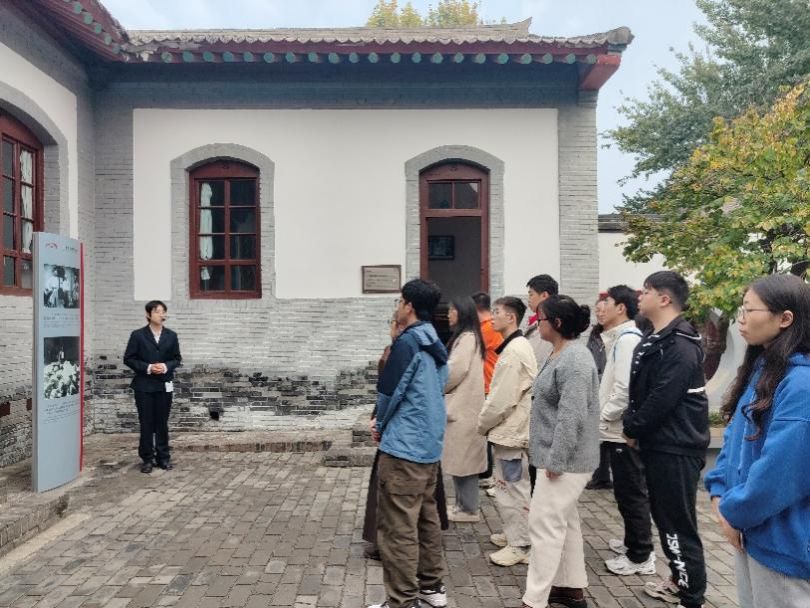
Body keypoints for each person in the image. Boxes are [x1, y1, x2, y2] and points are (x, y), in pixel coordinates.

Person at [704, 274, 810, 608]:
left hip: (783, 545)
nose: (741, 318)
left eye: (750, 310)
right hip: (751, 532)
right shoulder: (764, 370)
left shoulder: (801, 383)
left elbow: (782, 471)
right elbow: (734, 438)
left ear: (785, 318)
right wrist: (719, 491)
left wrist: (734, 512)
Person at [623, 271, 709, 608]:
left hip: (676, 447)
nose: (639, 296)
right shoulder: (656, 337)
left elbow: (662, 398)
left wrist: (633, 428)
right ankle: (677, 578)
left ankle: (691, 595)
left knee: (677, 524)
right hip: (660, 444)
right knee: (666, 519)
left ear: (664, 299)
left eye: (645, 291)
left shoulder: (681, 344)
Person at [370, 279, 449, 608]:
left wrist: (378, 423)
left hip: (404, 447)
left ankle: (402, 600)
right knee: (427, 519)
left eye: (399, 302)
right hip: (429, 444)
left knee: (398, 527)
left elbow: (390, 391)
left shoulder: (407, 342)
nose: (397, 307)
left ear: (410, 306)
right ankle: (432, 587)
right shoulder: (435, 340)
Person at [521, 295, 599, 608]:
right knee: (565, 524)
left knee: (544, 526)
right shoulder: (560, 353)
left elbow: (572, 414)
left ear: (557, 323)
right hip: (558, 456)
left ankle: (534, 599)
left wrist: (557, 459)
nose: (536, 323)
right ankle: (570, 589)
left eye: (540, 319)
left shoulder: (575, 359)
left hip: (566, 460)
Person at [596, 285, 655, 576]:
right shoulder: (621, 338)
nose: (599, 308)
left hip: (620, 430)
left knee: (631, 492)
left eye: (605, 302)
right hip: (615, 428)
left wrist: (603, 418)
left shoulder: (628, 339)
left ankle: (641, 555)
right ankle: (633, 542)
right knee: (625, 490)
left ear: (621, 308)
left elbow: (623, 390)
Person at [477, 296, 537, 567]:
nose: (492, 318)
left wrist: (482, 424)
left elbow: (501, 399)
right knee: (508, 486)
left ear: (511, 317)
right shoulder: (515, 346)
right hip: (510, 430)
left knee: (512, 487)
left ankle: (521, 544)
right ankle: (514, 534)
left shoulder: (513, 351)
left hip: (512, 431)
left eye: (497, 312)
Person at [123, 300, 182, 474]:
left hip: (164, 385)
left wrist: (165, 366)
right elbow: (129, 358)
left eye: (163, 311)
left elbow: (177, 358)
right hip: (144, 386)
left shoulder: (171, 335)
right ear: (148, 315)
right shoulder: (138, 335)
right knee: (146, 423)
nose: (161, 314)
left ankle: (163, 457)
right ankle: (147, 459)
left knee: (162, 423)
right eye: (157, 311)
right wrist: (148, 367)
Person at [443, 296, 488, 522]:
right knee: (459, 461)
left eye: (452, 310)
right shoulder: (467, 337)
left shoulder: (468, 338)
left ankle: (469, 509)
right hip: (463, 409)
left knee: (465, 462)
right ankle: (462, 505)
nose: (448, 314)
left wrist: (437, 383)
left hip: (464, 410)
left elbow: (454, 371)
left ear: (461, 312)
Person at [471, 291, 503, 490]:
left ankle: (486, 474)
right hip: (491, 383)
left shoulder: (486, 329)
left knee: (484, 433)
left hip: (487, 384)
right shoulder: (493, 326)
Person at [585, 296, 612, 491]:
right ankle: (600, 476)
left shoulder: (619, 336)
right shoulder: (594, 334)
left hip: (610, 389)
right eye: (598, 311)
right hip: (595, 388)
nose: (600, 314)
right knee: (597, 436)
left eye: (604, 310)